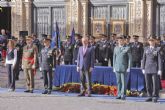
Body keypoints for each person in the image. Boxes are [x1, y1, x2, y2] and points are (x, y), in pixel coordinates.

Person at [141, 36, 162, 103]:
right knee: (148, 83)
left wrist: (160, 69)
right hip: (147, 68)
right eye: (150, 40)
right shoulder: (146, 49)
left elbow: (159, 60)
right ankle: (149, 96)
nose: (151, 42)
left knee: (155, 83)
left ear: (155, 41)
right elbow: (143, 59)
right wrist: (142, 68)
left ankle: (155, 96)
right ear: (148, 41)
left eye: (152, 40)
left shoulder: (158, 49)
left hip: (154, 68)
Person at [113, 35, 132, 100]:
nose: (120, 41)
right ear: (118, 41)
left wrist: (129, 67)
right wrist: (114, 67)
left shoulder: (127, 48)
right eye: (119, 40)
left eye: (122, 40)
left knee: (123, 82)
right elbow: (114, 58)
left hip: (124, 67)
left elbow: (130, 58)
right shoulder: (116, 48)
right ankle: (118, 94)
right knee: (118, 82)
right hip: (117, 67)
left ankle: (123, 94)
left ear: (124, 41)